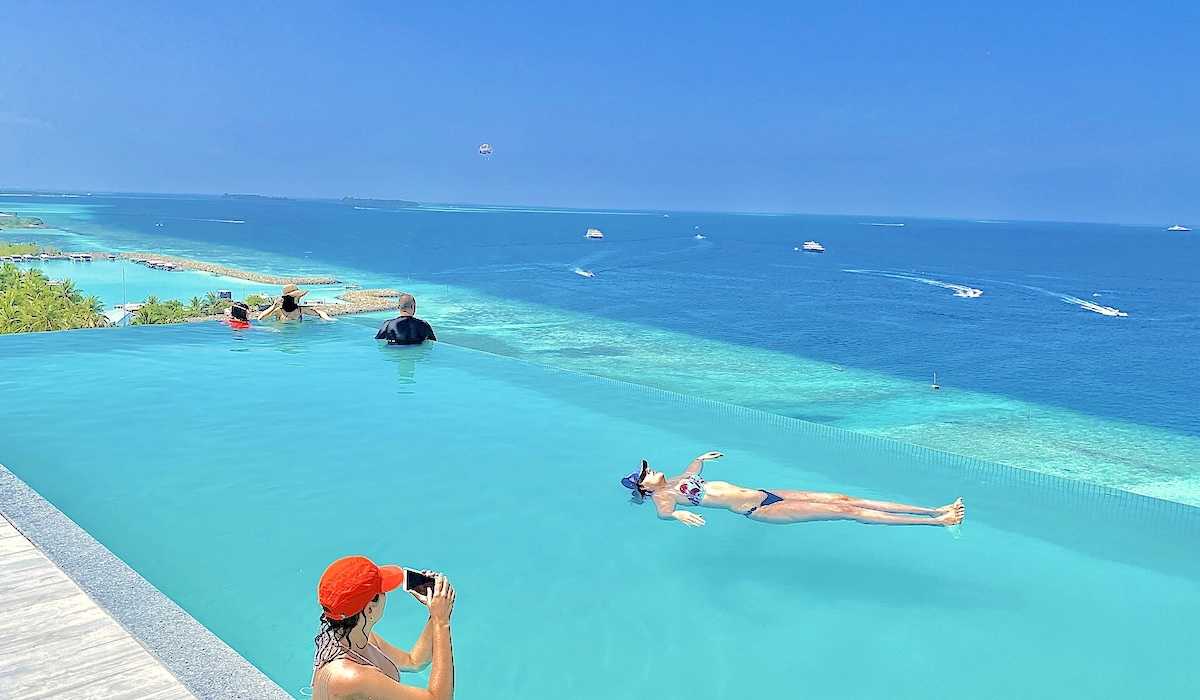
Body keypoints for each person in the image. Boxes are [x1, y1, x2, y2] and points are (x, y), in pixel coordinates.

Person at [622, 452, 964, 528]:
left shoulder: (675, 479)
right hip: (760, 509)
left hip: (766, 492)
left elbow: (693, 472)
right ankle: (939, 522)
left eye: (647, 468)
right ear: (644, 487)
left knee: (845, 498)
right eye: (645, 474)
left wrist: (700, 459)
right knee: (847, 512)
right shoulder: (664, 496)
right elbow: (664, 514)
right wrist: (678, 515)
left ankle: (934, 509)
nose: (650, 471)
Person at [311, 556, 455, 700]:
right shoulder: (350, 676)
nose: (386, 595)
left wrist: (435, 612)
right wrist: (441, 621)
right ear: (369, 609)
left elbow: (414, 662)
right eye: (383, 591)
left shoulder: (357, 639)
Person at [257, 283, 333, 322]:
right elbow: (260, 318)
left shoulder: (300, 310)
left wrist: (328, 318)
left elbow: (319, 312)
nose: (299, 298)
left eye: (298, 297)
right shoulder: (279, 311)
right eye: (297, 297)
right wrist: (273, 306)